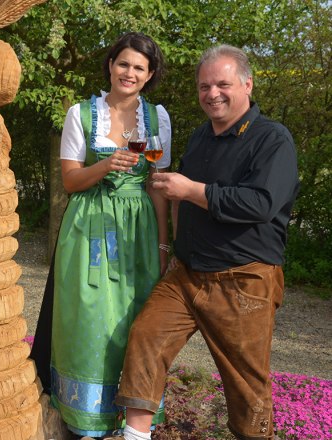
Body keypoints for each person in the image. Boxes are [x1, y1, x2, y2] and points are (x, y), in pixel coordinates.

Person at [114, 45, 300, 440]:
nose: (212, 93)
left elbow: (261, 204)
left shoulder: (272, 139)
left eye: (222, 84)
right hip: (186, 274)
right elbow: (181, 199)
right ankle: (135, 436)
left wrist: (191, 189)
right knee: (146, 338)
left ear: (247, 85)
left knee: (247, 386)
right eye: (204, 86)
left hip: (243, 281)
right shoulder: (201, 136)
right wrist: (170, 238)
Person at [30, 32, 171, 438]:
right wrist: (106, 165)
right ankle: (84, 421)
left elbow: (157, 184)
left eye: (139, 68)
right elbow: (71, 181)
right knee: (88, 317)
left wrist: (164, 244)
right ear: (110, 65)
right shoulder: (81, 114)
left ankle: (133, 421)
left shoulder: (156, 119)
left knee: (135, 321)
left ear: (149, 75)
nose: (129, 73)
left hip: (138, 232)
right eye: (123, 63)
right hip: (89, 227)